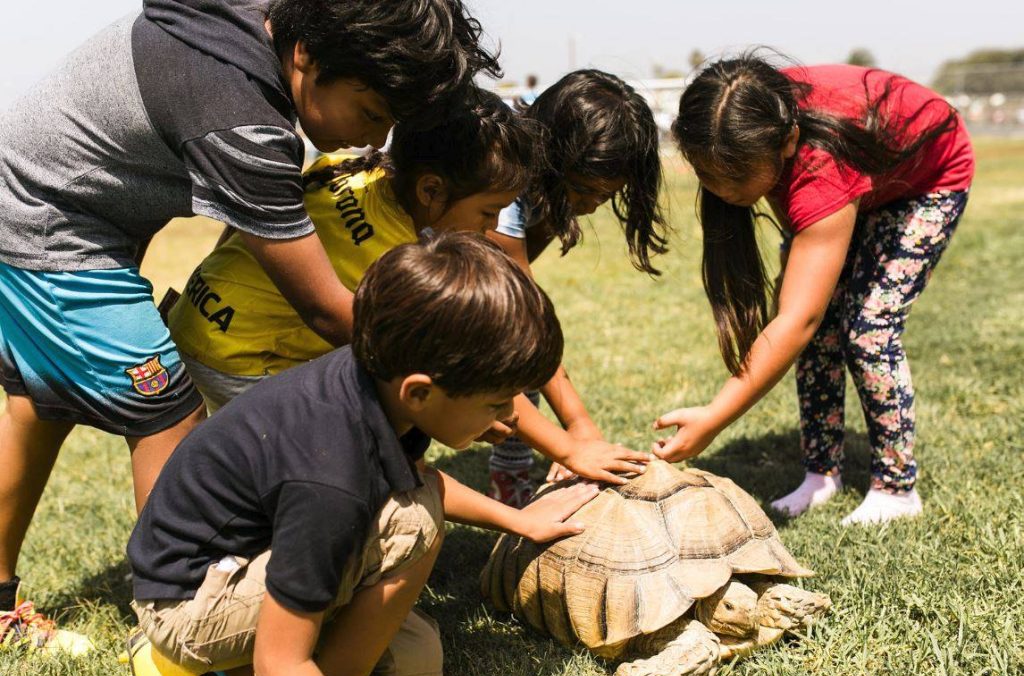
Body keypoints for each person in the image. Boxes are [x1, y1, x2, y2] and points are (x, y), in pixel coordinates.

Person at [0, 0, 500, 650]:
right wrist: (456, 376)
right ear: (306, 59)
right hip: (49, 220)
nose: (376, 141)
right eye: (372, 113)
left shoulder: (270, 20)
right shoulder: (242, 121)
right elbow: (327, 310)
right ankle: (179, 618)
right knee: (166, 411)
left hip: (50, 197)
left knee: (40, 408)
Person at [122, 232, 598, 676]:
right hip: (189, 605)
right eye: (496, 403)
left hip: (248, 556)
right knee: (412, 525)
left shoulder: (377, 383)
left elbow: (419, 481)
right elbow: (280, 662)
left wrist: (519, 521)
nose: (512, 416)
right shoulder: (331, 481)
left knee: (416, 656)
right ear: (420, 392)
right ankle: (207, 672)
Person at [656, 55, 974, 526]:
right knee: (822, 325)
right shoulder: (748, 123)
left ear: (787, 142)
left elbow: (795, 321)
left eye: (735, 177)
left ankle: (896, 488)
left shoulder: (822, 161)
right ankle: (821, 474)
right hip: (859, 179)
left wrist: (714, 417)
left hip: (926, 182)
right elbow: (807, 315)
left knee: (869, 327)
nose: (722, 190)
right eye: (708, 175)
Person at [167, 90, 539, 410]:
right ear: (430, 190)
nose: (491, 228)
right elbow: (404, 359)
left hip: (191, 318)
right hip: (239, 358)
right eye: (488, 212)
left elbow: (248, 222)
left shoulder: (342, 167)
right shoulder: (396, 258)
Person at [485, 69, 670, 507]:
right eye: (584, 190)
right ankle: (510, 483)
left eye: (604, 198)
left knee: (523, 346)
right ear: (553, 157)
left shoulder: (550, 180)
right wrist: (577, 429)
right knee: (510, 340)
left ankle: (511, 472)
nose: (588, 206)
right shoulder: (503, 180)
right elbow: (520, 314)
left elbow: (525, 301)